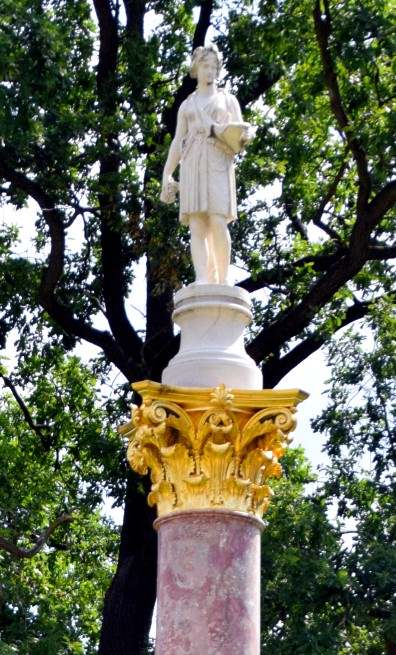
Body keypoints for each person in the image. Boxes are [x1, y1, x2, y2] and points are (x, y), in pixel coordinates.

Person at [160, 44, 253, 285]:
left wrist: (240, 135)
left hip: (218, 161)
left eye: (214, 67)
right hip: (192, 163)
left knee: (218, 220)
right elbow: (177, 143)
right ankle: (202, 277)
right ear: (196, 68)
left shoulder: (228, 100)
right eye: (205, 66)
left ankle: (222, 279)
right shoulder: (187, 105)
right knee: (197, 223)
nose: (210, 71)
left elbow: (240, 134)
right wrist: (167, 174)